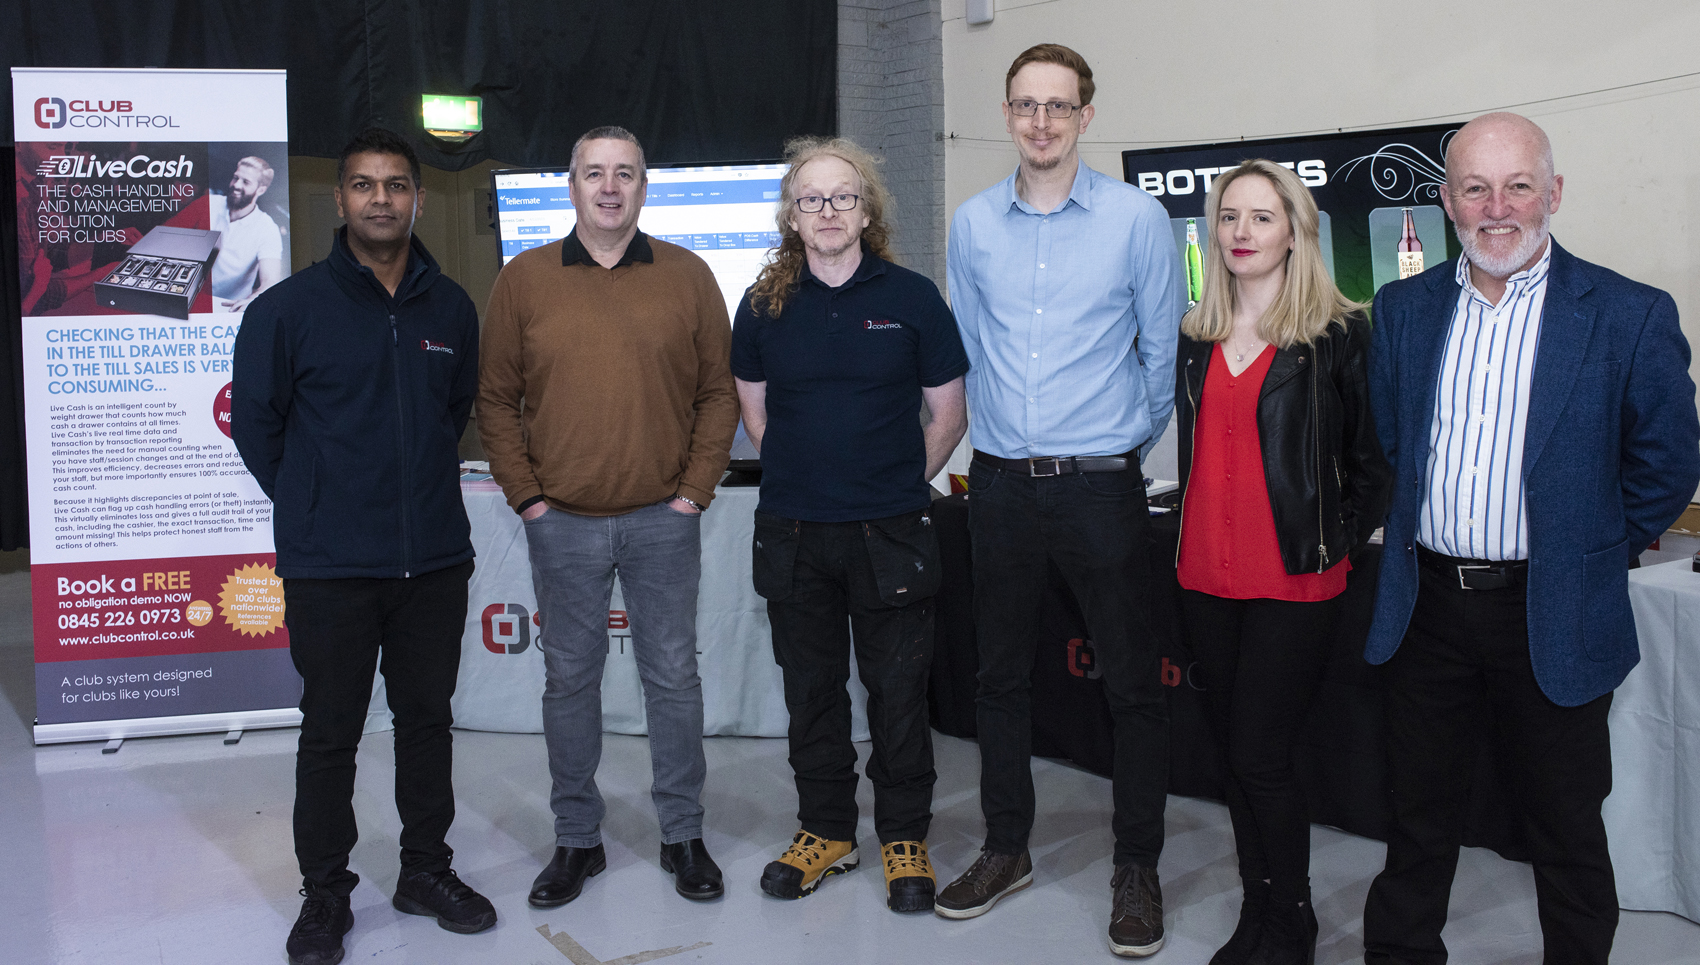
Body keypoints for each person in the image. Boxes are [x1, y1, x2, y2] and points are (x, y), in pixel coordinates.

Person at [1361, 112, 1700, 965]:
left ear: (1554, 193)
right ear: (1447, 202)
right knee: (1417, 818)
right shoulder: (1402, 310)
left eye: (1518, 186)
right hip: (1426, 608)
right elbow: (1396, 443)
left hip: (1554, 608)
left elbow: (1668, 463)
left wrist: (1589, 550)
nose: (1497, 207)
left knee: (1566, 825)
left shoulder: (1626, 313)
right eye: (1475, 188)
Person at [940, 42, 1185, 957]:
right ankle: (1006, 848)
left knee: (1133, 686)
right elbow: (968, 351)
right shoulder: (973, 225)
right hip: (1000, 486)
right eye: (1024, 105)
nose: (1040, 121)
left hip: (1100, 488)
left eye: (1057, 105)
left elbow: (1160, 358)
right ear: (1007, 114)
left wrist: (1115, 452)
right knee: (999, 680)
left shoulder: (1136, 219)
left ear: (1085, 116)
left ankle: (1138, 866)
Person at [232, 127, 495, 965]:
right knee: (330, 732)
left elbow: (453, 413)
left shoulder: (451, 308)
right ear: (340, 199)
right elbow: (257, 428)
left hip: (433, 562)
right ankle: (325, 893)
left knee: (427, 724)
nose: (380, 198)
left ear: (417, 197)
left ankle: (426, 871)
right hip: (331, 567)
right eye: (363, 184)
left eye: (396, 184)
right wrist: (316, 502)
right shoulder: (286, 311)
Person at [478, 125, 740, 907]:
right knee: (569, 681)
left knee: (673, 677)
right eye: (594, 173)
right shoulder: (523, 279)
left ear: (644, 187)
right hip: (561, 521)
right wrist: (528, 496)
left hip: (665, 517)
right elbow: (495, 399)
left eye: (625, 173)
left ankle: (683, 833)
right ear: (572, 186)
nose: (610, 187)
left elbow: (718, 393)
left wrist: (694, 490)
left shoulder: (689, 275)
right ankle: (576, 839)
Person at [732, 136, 970, 913]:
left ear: (867, 211)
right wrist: (810, 478)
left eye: (843, 196)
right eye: (812, 199)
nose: (828, 210)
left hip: (891, 531)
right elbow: (755, 415)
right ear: (792, 216)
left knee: (898, 693)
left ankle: (904, 836)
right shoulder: (762, 306)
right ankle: (827, 830)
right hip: (794, 532)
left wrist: (896, 483)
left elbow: (948, 412)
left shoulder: (913, 299)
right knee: (811, 693)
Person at [1172, 160, 1390, 965]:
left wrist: (1334, 542)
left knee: (1262, 755)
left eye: (1262, 217)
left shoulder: (1339, 333)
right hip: (1205, 574)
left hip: (1294, 580)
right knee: (1235, 756)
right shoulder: (1195, 335)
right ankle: (1257, 904)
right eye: (1229, 216)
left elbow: (1374, 465)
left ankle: (1291, 917)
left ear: (1295, 231)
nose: (1242, 232)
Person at [210, 155, 284, 312]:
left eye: (246, 182)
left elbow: (271, 280)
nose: (236, 185)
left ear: (261, 190)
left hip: (230, 309)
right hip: (193, 302)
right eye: (236, 178)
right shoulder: (211, 203)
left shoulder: (267, 228)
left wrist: (252, 300)